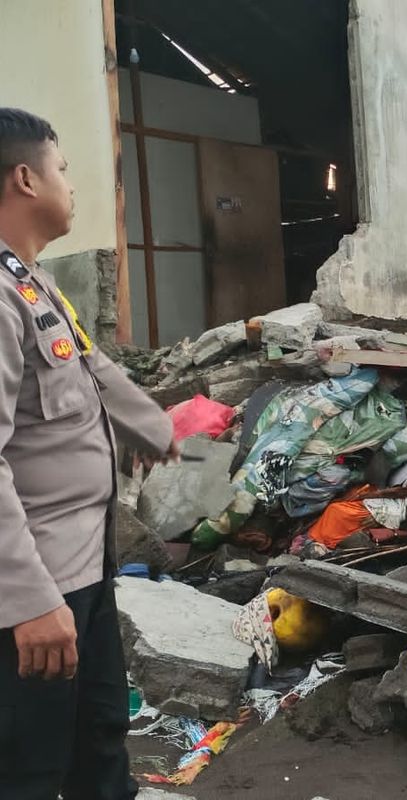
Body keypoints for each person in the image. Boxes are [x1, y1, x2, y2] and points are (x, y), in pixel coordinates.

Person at [0, 108, 177, 796]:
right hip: (32, 593)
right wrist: (29, 602)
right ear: (25, 178)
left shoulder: (31, 281)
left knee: (99, 746)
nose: (72, 186)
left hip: (82, 569)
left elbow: (91, 364)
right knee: (29, 770)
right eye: (63, 170)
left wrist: (154, 428)